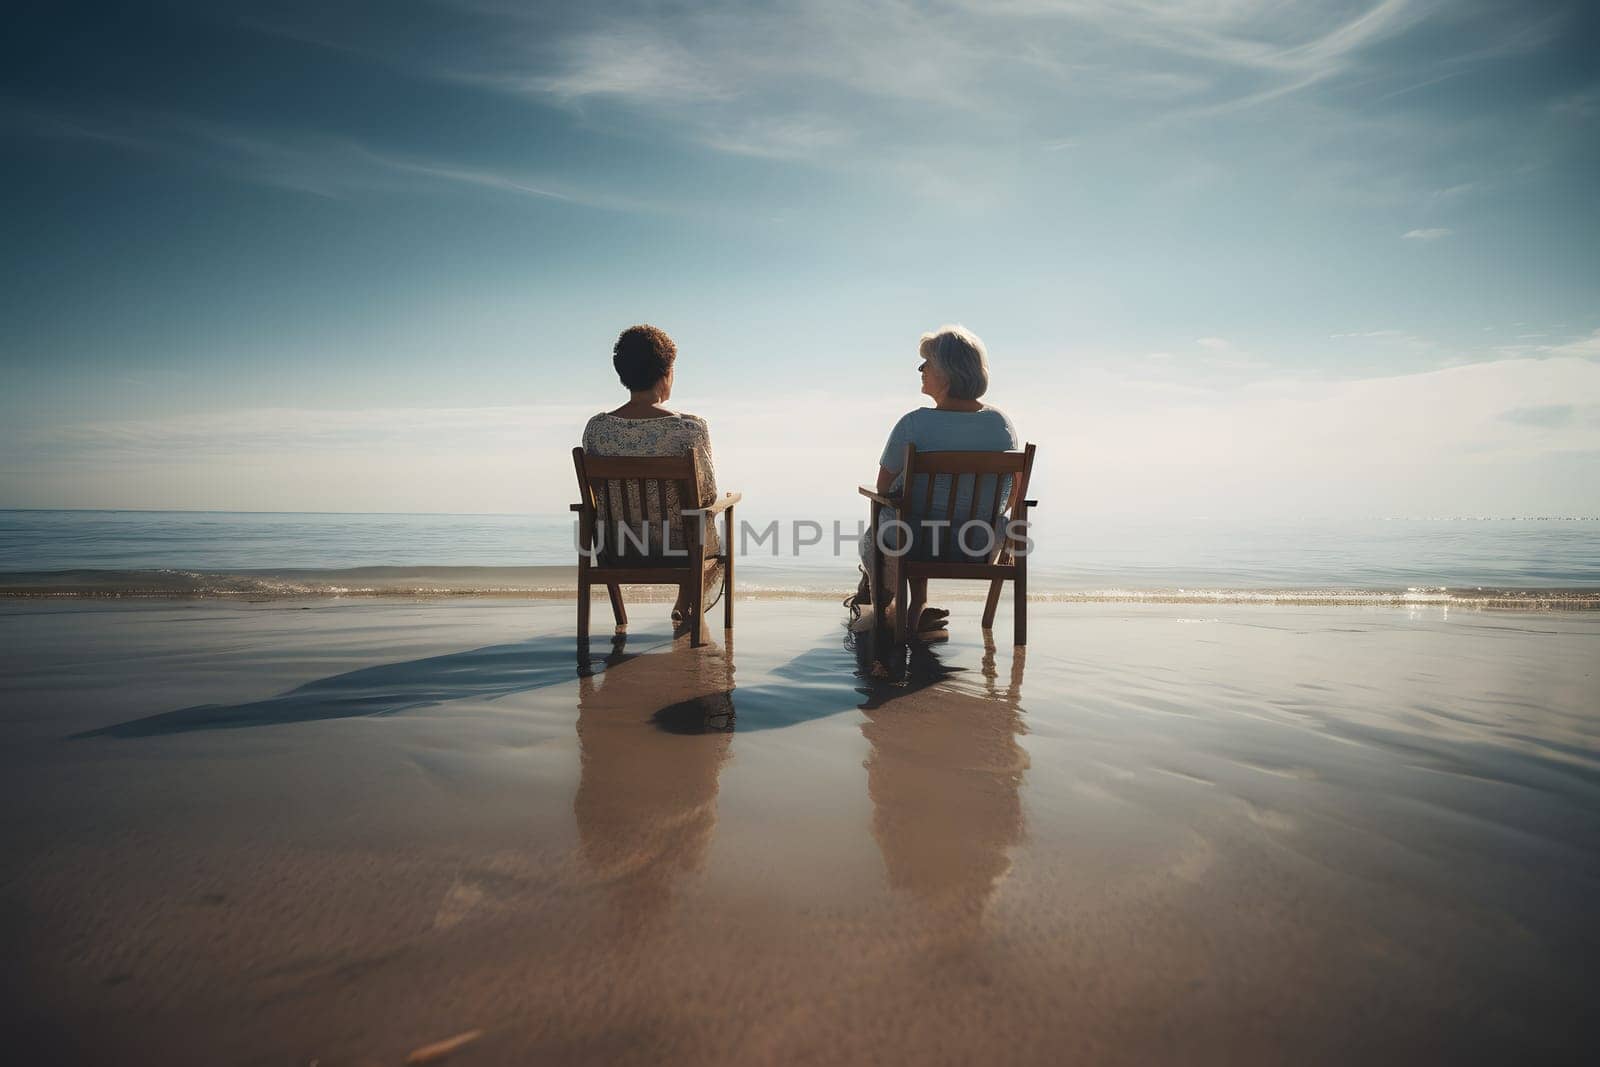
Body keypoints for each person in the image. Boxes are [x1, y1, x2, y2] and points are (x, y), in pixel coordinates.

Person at [854, 325, 1019, 637]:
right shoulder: (1001, 425)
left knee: (879, 532)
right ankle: (915, 608)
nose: (921, 370)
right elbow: (1012, 495)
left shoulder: (913, 425)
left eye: (926, 364)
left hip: (914, 544)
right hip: (978, 544)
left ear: (945, 373)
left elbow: (885, 489)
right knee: (921, 519)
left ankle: (891, 610)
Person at [582, 324, 723, 627]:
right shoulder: (689, 429)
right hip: (681, 548)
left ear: (624, 374)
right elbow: (708, 495)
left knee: (692, 519)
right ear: (666, 373)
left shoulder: (597, 429)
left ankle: (639, 614)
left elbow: (594, 494)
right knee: (699, 517)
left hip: (619, 546)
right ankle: (686, 603)